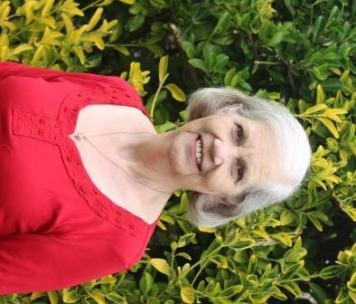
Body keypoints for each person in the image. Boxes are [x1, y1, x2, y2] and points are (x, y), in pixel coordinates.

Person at [0, 61, 311, 295]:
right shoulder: (115, 93)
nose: (221, 151)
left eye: (239, 170)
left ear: (225, 199)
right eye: (237, 132)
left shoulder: (116, 242)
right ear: (227, 109)